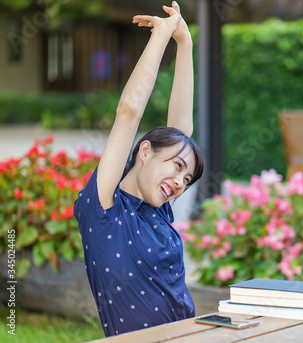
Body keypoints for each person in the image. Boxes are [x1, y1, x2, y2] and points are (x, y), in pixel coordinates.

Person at [74, 2, 204, 337]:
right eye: (176, 167)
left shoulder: (156, 211)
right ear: (144, 151)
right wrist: (160, 35)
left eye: (186, 179)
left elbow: (181, 136)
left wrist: (184, 43)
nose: (179, 182)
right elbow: (129, 111)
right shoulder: (104, 209)